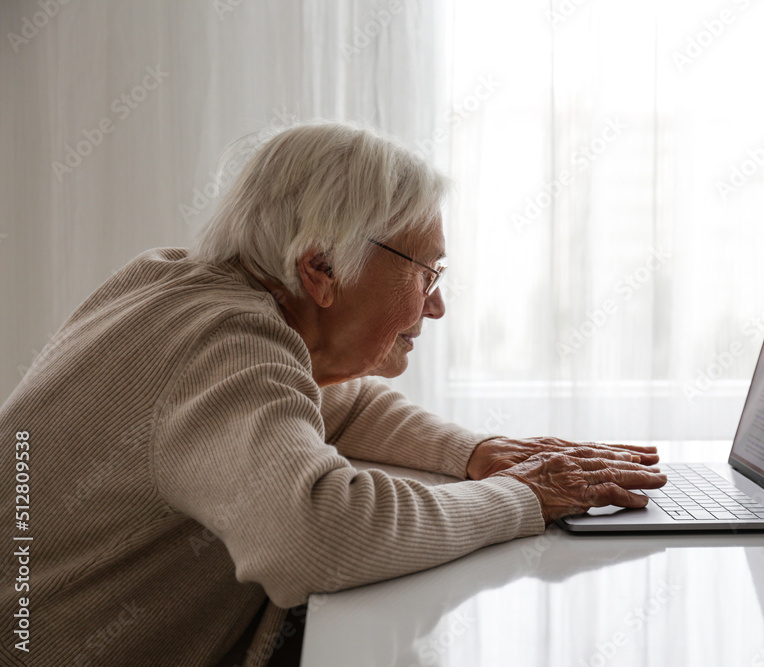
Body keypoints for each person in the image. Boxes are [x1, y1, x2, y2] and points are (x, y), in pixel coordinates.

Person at [0, 121, 665, 666]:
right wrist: (523, 495)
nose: (435, 306)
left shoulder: (180, 287)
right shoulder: (225, 342)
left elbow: (333, 403)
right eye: (426, 271)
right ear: (320, 266)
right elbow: (315, 535)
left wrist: (481, 452)